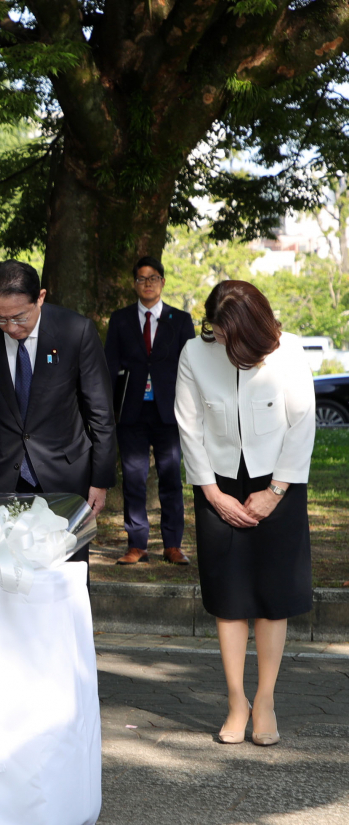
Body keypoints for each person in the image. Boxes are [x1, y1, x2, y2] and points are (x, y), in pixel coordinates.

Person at [175, 280, 315, 746]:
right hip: (218, 484)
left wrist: (275, 492)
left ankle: (267, 699)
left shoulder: (290, 352)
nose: (233, 350)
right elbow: (188, 426)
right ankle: (237, 701)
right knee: (228, 597)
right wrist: (212, 494)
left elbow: (302, 423)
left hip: (280, 480)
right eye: (224, 338)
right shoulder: (195, 353)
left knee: (274, 597)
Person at [0, 260, 115, 563]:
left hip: (64, 476)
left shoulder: (75, 331)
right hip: (0, 474)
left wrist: (100, 480)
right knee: (3, 571)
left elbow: (101, 414)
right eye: (0, 318)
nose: (11, 327)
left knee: (65, 572)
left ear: (40, 297)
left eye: (19, 316)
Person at [106, 257, 196, 565]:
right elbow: (110, 365)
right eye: (142, 278)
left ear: (162, 282)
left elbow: (190, 367)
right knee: (134, 478)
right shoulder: (119, 320)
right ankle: (137, 544)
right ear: (134, 284)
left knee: (170, 477)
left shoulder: (181, 320)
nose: (148, 283)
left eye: (153, 278)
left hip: (169, 412)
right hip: (132, 412)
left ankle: (172, 544)